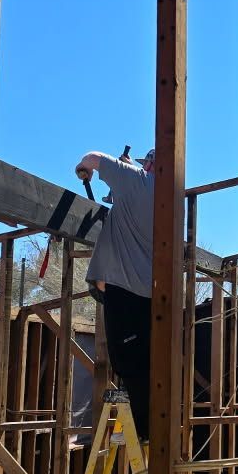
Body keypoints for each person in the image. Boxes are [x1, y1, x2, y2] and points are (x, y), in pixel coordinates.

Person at [76, 147, 154, 439]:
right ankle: (143, 429)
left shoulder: (137, 180)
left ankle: (141, 431)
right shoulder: (170, 197)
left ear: (148, 165)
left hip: (123, 291)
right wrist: (133, 169)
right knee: (144, 361)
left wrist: (84, 169)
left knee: (125, 360)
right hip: (149, 296)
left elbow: (92, 157)